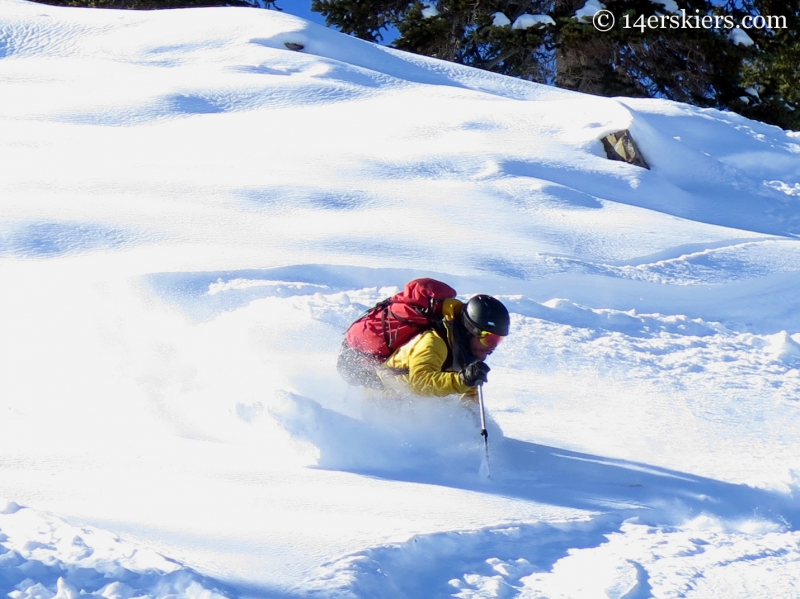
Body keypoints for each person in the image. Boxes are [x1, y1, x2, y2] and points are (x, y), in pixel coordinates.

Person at [375, 294, 510, 401]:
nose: (492, 347)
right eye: (489, 338)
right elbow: (420, 382)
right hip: (382, 396)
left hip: (409, 402)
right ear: (471, 330)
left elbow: (469, 392)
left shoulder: (467, 352)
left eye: (498, 341)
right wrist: (462, 380)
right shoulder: (434, 341)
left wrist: (471, 420)